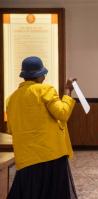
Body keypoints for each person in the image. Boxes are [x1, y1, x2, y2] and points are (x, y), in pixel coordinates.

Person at [6, 56, 77, 199]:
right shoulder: (45, 90)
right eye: (43, 73)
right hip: (50, 155)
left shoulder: (12, 98)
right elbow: (62, 113)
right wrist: (68, 91)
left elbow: (11, 129)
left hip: (26, 157)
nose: (44, 76)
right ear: (39, 75)